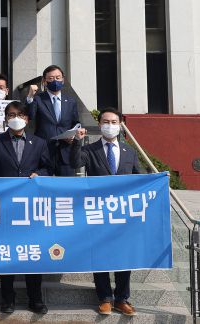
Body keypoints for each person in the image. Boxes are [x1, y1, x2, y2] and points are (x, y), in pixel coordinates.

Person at [70, 107, 144, 317]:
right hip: (98, 211)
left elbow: (140, 177)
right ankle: (104, 298)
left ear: (120, 125)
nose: (109, 125)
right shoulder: (90, 149)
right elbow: (75, 162)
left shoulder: (129, 151)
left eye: (113, 122)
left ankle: (122, 299)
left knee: (123, 256)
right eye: (105, 122)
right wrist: (77, 142)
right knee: (100, 254)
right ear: (99, 124)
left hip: (122, 212)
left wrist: (157, 181)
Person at [0, 101, 50, 314]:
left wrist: (40, 174)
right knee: (7, 252)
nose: (15, 118)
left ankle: (35, 299)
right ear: (5, 119)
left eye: (19, 114)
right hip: (5, 206)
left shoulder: (39, 142)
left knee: (32, 252)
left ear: (27, 119)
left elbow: (48, 167)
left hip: (30, 207)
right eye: (11, 115)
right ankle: (7, 298)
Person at [26, 65, 80, 176]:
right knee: (43, 184)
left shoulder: (71, 100)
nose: (55, 81)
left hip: (65, 150)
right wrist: (30, 96)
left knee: (66, 184)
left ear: (63, 80)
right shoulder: (38, 99)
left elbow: (76, 122)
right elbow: (29, 116)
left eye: (58, 78)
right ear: (44, 81)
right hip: (44, 150)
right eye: (51, 78)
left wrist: (73, 135)